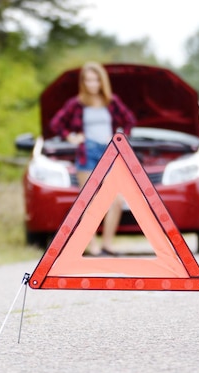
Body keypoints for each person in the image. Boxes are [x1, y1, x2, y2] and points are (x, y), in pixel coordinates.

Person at [50, 62, 136, 256]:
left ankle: (107, 244)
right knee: (89, 200)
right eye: (88, 80)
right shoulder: (76, 104)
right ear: (83, 82)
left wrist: (118, 135)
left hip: (109, 152)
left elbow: (129, 120)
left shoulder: (111, 102)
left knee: (116, 200)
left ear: (102, 81)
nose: (92, 84)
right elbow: (56, 123)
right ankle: (92, 245)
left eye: (96, 79)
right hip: (86, 153)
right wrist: (71, 137)